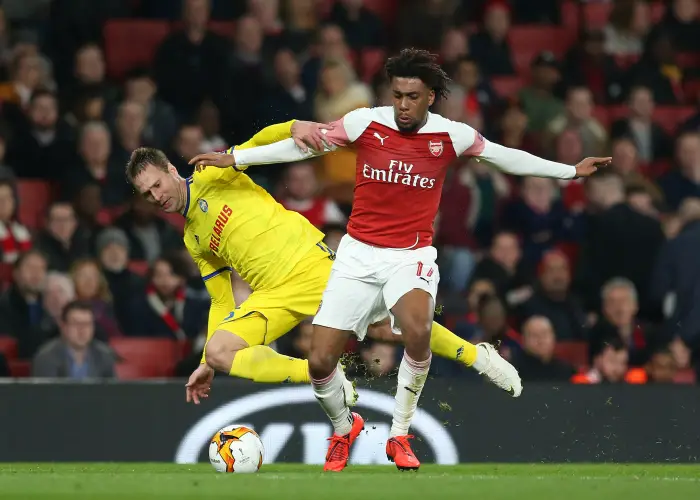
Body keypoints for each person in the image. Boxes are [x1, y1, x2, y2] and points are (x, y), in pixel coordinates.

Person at [190, 48, 611, 472]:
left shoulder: (453, 136)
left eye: (412, 96)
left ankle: (399, 434)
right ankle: (343, 427)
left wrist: (569, 171)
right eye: (397, 95)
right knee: (320, 361)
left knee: (416, 328)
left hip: (410, 255)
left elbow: (506, 156)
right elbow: (306, 147)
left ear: (430, 96)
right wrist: (239, 158)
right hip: (356, 255)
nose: (403, 105)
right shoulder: (364, 122)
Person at [127, 119, 503, 410]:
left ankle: (476, 355)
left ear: (172, 171)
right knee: (220, 351)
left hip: (311, 268)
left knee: (395, 325)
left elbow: (257, 143)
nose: (156, 196)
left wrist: (295, 127)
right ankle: (320, 376)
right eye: (147, 194)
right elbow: (222, 301)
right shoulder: (192, 238)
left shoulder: (212, 174)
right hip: (272, 295)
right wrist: (208, 363)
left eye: (157, 184)